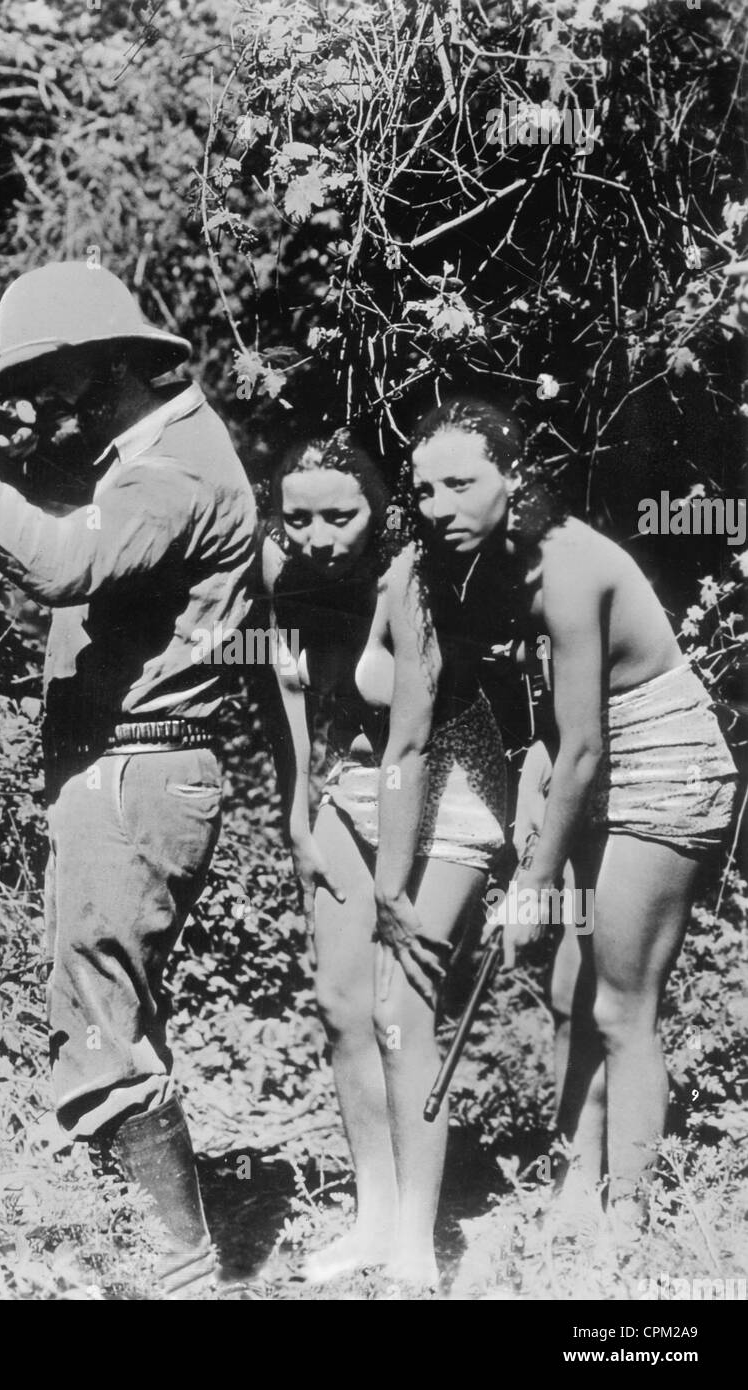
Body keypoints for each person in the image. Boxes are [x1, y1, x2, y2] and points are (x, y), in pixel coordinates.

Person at [0, 262, 256, 1297]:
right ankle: (150, 1244)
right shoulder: (152, 452)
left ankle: (178, 1270)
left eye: (56, 381)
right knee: (110, 1008)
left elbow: (58, 563)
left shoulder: (172, 468)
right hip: (124, 765)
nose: (46, 402)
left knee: (103, 1024)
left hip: (137, 767)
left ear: (112, 370)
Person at [399, 395, 738, 1240]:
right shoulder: (502, 560)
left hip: (664, 768)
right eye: (424, 490)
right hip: (603, 766)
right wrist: (531, 794)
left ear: (512, 478)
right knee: (566, 990)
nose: (437, 507)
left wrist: (531, 884)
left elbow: (584, 745)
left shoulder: (567, 565)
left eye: (458, 483)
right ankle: (572, 1183)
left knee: (622, 1007)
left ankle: (624, 1226)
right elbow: (562, 728)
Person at [261, 430, 506, 1290]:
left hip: (450, 783)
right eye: (300, 518)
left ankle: (415, 1243)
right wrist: (296, 818)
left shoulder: (409, 578)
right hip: (362, 782)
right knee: (338, 1000)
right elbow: (287, 697)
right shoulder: (279, 572)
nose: (319, 535)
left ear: (379, 509)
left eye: (341, 514)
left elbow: (408, 737)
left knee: (401, 1010)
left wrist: (394, 891)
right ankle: (371, 1218)